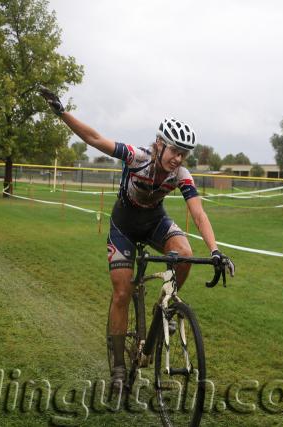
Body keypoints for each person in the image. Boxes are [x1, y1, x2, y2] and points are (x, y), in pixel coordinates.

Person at [39, 87, 235, 390]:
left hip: (155, 222)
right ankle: (118, 365)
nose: (178, 158)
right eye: (174, 151)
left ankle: (166, 306)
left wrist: (216, 250)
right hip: (124, 228)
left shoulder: (181, 174)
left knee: (184, 253)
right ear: (159, 145)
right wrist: (61, 112)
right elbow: (94, 138)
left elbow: (198, 214)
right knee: (121, 293)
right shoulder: (136, 158)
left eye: (183, 154)